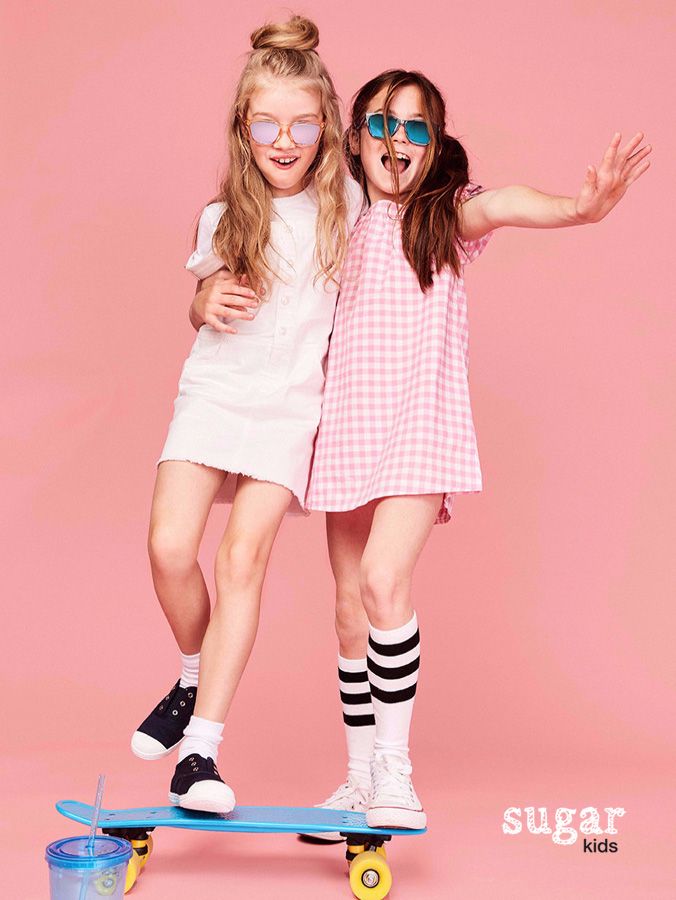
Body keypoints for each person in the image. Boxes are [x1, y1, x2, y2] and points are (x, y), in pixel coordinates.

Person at [301, 69, 651, 831]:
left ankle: (395, 772)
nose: (397, 140)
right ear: (355, 139)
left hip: (418, 428)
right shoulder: (338, 216)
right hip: (346, 427)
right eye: (382, 124)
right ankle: (357, 779)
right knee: (349, 609)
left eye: (416, 128)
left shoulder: (444, 215)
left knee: (385, 581)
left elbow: (507, 202)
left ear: (435, 145)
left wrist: (579, 207)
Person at [131, 14, 363, 814]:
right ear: (243, 128)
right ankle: (190, 678)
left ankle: (199, 751)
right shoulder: (223, 214)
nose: (285, 140)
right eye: (267, 124)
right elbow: (203, 299)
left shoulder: (350, 206)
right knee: (169, 548)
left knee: (240, 562)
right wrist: (201, 303)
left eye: (303, 123)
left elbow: (423, 211)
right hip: (215, 394)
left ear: (326, 127)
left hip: (289, 412)